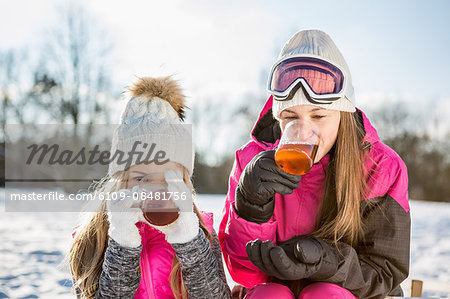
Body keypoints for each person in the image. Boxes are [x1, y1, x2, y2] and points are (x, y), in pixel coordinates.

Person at [219, 29, 410, 299]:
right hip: (271, 291)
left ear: (343, 114)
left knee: (326, 294)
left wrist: (329, 262)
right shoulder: (250, 162)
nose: (304, 132)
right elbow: (245, 274)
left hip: (350, 292)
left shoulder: (381, 167)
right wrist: (250, 205)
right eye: (290, 117)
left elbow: (385, 271)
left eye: (318, 115)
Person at [68, 76, 231, 299]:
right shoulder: (93, 237)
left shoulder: (202, 232)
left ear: (183, 182)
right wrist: (122, 242)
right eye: (141, 177)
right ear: (121, 179)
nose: (155, 189)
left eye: (167, 178)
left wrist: (189, 241)